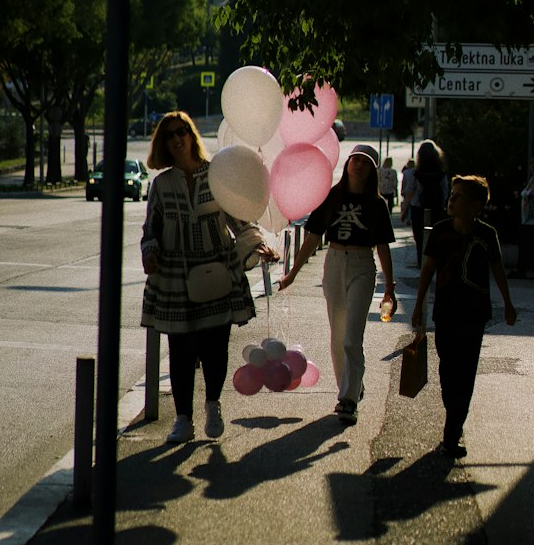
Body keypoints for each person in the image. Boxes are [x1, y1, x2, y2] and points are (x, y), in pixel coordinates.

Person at [140, 111, 275, 444]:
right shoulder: (162, 184)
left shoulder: (216, 173)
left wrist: (260, 246)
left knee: (216, 349)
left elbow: (239, 218)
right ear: (164, 144)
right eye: (170, 134)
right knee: (181, 351)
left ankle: (213, 405)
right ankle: (183, 419)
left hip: (217, 272)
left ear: (191, 135)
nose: (177, 138)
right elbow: (151, 230)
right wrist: (151, 252)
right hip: (175, 278)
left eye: (182, 131)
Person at [279, 144, 396, 423]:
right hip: (333, 262)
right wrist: (293, 272)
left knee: (352, 336)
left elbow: (383, 247)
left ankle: (347, 400)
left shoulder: (377, 204)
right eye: (355, 160)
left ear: (372, 171)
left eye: (365, 163)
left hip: (362, 267)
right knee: (337, 334)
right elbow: (312, 237)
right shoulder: (332, 195)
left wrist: (389, 287)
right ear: (347, 164)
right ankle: (352, 386)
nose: (358, 165)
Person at [410, 175, 517, 457]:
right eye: (452, 194)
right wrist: (418, 304)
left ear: (475, 206)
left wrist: (507, 303)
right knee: (447, 369)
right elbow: (428, 270)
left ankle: (452, 433)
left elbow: (497, 270)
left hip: (474, 314)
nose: (451, 199)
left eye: (458, 196)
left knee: (465, 374)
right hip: (445, 312)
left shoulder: (486, 235)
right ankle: (453, 416)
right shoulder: (440, 231)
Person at [404, 139, 448, 265]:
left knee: (419, 238)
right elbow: (445, 193)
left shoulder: (415, 174)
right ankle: (434, 261)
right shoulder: (442, 174)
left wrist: (404, 211)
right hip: (437, 208)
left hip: (418, 209)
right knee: (436, 237)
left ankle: (421, 261)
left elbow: (410, 193)